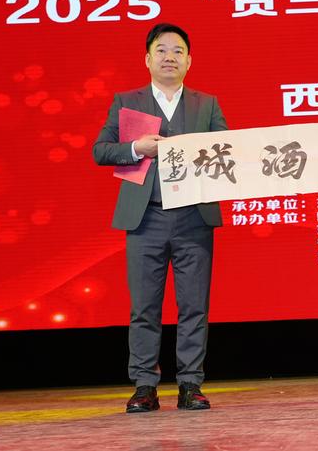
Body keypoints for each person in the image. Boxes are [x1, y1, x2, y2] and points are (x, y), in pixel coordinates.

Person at [93, 23, 228, 412]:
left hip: (194, 218)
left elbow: (227, 151)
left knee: (194, 306)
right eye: (162, 50)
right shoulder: (126, 101)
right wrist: (137, 148)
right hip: (145, 219)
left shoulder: (207, 104)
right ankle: (144, 386)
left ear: (189, 61)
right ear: (148, 59)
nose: (170, 57)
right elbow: (101, 150)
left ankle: (190, 384)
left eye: (178, 51)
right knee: (144, 307)